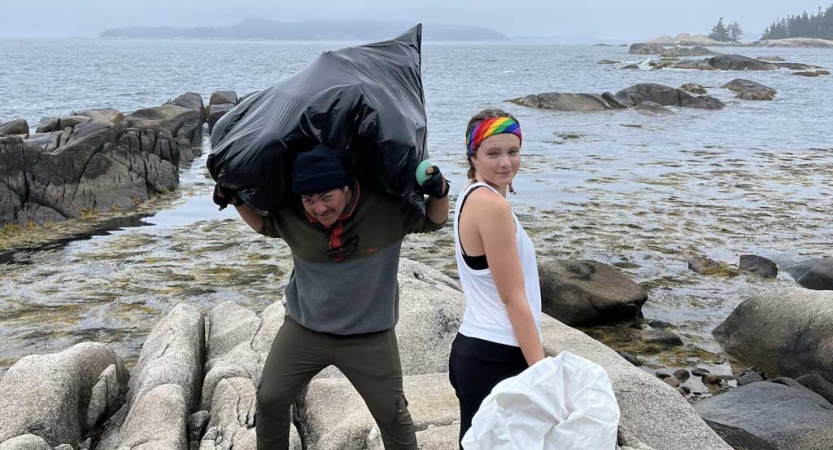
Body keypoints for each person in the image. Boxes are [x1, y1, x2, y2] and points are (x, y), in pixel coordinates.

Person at [214, 144, 450, 450]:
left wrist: (439, 192)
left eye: (327, 197)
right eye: (309, 200)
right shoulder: (292, 214)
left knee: (393, 415)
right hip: (305, 330)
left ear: (347, 187)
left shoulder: (385, 209)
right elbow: (263, 224)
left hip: (369, 336)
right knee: (270, 399)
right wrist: (233, 199)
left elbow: (433, 220)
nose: (319, 208)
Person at [448, 109, 545, 446]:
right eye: (493, 153)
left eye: (513, 151)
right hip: (496, 355)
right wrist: (542, 372)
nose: (506, 162)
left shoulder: (469, 195)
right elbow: (513, 298)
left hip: (476, 350)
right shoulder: (493, 207)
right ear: (472, 156)